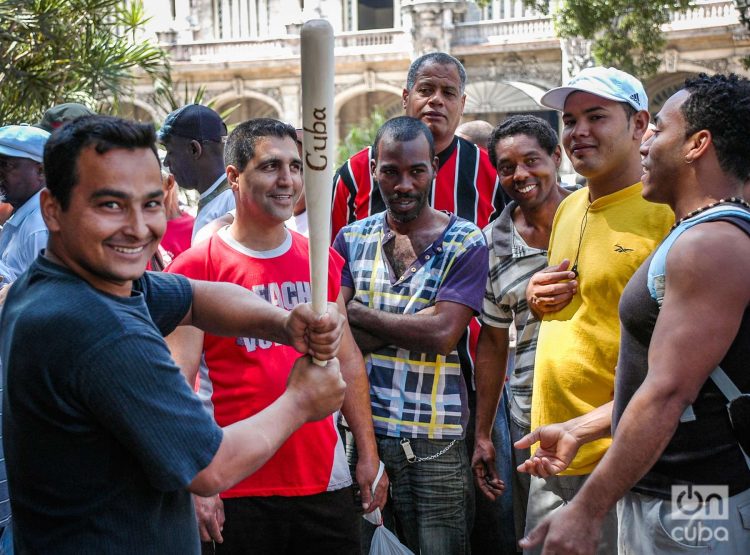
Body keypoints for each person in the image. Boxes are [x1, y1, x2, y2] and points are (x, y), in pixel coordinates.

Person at [0, 115, 348, 554]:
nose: (138, 226)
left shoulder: (57, 281)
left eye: (149, 204)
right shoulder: (103, 332)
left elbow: (194, 297)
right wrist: (301, 400)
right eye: (110, 204)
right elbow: (210, 466)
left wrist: (281, 323)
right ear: (53, 208)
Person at [521, 73, 750, 555]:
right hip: (654, 486)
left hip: (697, 495)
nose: (647, 143)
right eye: (570, 120)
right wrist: (576, 429)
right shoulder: (696, 232)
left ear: (698, 144)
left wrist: (588, 507)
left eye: (658, 129)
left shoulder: (713, 243)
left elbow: (667, 392)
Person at [165, 118, 386, 554]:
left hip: (322, 478)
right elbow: (177, 382)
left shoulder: (318, 259)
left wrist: (368, 454)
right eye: (270, 167)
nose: (287, 180)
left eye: (295, 166)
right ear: (234, 176)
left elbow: (347, 359)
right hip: (235, 484)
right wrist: (195, 481)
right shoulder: (196, 267)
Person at [519, 67, 674, 553]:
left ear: (639, 125)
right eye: (569, 119)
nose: (577, 131)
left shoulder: (669, 213)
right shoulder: (567, 208)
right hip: (552, 451)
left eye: (596, 116)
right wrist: (533, 296)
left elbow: (682, 364)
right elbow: (582, 308)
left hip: (627, 463)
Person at [334, 116, 489, 555]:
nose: (403, 184)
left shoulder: (465, 241)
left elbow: (443, 334)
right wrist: (414, 323)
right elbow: (334, 334)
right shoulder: (351, 238)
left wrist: (359, 313)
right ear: (373, 171)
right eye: (391, 171)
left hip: (435, 439)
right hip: (361, 436)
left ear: (434, 169)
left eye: (416, 171)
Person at [471, 115, 570, 552]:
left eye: (532, 160)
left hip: (610, 407)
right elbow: (492, 345)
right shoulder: (491, 243)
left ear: (557, 156)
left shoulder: (592, 214)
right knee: (543, 538)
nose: (521, 175)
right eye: (508, 167)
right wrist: (483, 434)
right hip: (533, 417)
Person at [331, 52, 504, 240]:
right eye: (425, 90)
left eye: (448, 93)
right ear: (405, 97)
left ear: (462, 104)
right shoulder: (355, 173)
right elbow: (330, 259)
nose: (436, 100)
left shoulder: (492, 174)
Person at [159, 104, 233, 241]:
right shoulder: (220, 198)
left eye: (170, 152)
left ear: (194, 149)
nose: (166, 162)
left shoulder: (234, 201)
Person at [0, 125, 50, 279]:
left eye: (5, 165)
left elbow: (43, 297)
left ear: (40, 171)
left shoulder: (40, 227)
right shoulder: (24, 214)